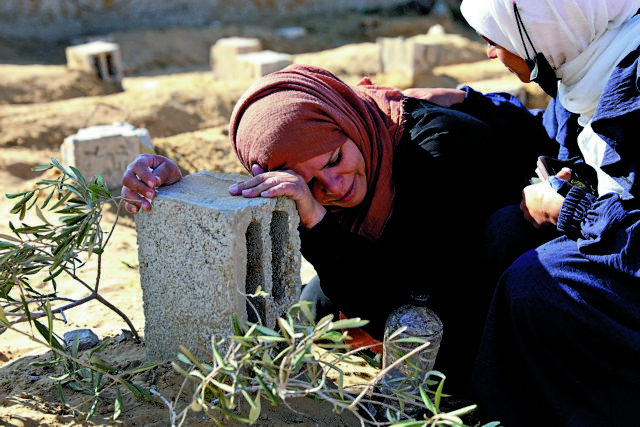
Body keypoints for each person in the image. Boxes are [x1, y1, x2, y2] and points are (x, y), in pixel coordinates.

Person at [121, 63, 553, 395]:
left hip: (480, 279)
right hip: (400, 266)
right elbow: (265, 197)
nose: (334, 186)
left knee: (420, 336)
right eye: (307, 183)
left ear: (348, 123)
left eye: (333, 161)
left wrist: (315, 215)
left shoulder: (441, 151)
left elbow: (405, 298)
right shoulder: (355, 138)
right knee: (308, 311)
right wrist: (183, 184)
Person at [425, 0, 640, 425]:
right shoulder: (589, 66)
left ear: (544, 28)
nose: (489, 52)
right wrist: (469, 103)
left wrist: (568, 208)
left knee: (536, 282)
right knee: (505, 232)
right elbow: (552, 129)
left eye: (494, 38)